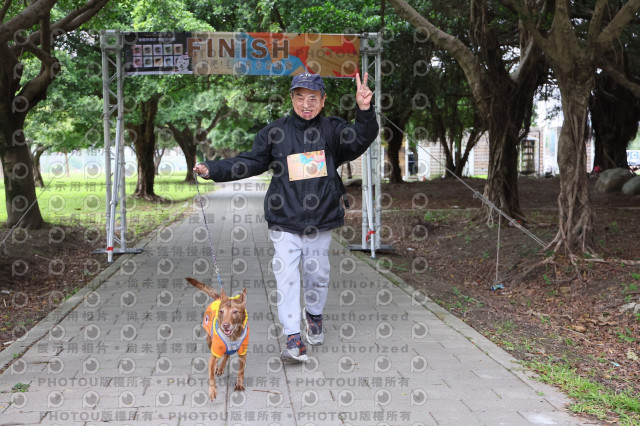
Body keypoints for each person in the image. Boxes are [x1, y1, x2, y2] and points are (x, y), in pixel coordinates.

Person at [193, 72, 378, 361]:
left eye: (313, 98)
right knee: (287, 278)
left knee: (317, 276)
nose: (306, 104)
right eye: (300, 97)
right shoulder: (274, 132)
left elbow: (360, 140)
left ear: (323, 100)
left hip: (321, 220)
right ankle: (293, 338)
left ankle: (314, 315)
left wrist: (364, 110)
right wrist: (212, 169)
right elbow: (250, 162)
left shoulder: (333, 129)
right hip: (284, 221)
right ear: (291, 99)